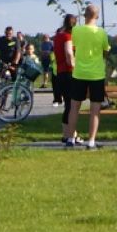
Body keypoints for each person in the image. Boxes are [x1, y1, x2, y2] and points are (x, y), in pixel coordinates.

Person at [66, 4, 109, 149]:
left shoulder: (76, 30)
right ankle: (91, 141)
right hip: (96, 74)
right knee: (95, 109)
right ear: (97, 16)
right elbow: (106, 51)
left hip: (79, 72)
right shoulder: (101, 32)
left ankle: (71, 138)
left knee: (74, 107)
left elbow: (75, 47)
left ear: (85, 15)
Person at [50, 14, 77, 142]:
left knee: (68, 104)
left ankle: (68, 133)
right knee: (71, 106)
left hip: (60, 72)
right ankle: (68, 135)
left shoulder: (57, 37)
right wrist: (73, 64)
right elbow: (68, 53)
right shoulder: (67, 36)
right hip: (68, 72)